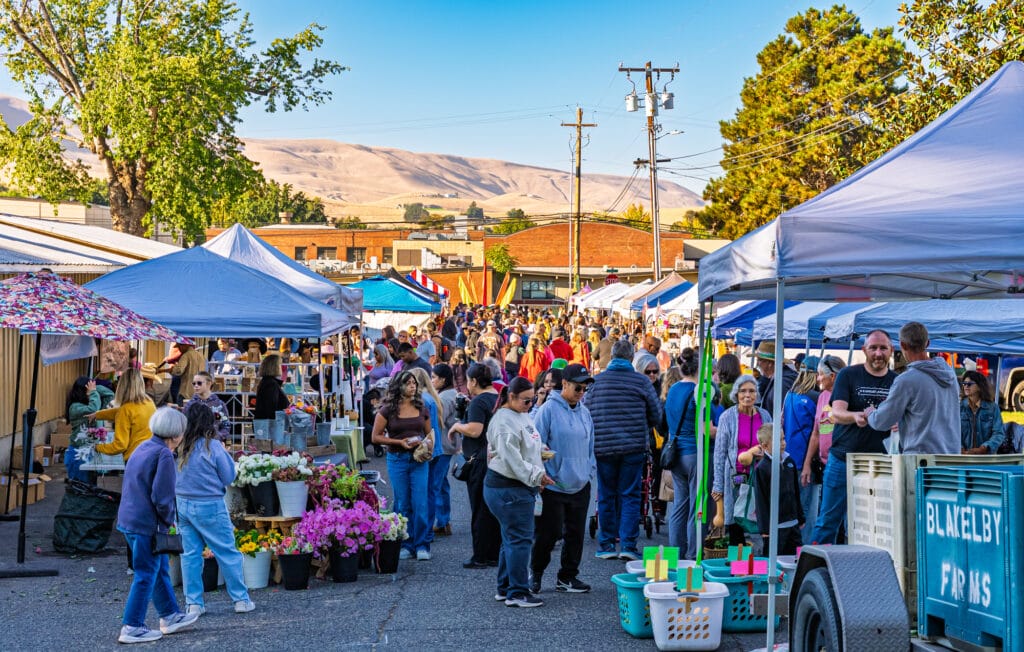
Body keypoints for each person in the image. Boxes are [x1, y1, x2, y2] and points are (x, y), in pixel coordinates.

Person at [115, 407, 198, 643]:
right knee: (146, 574)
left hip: (130, 520)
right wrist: (169, 521)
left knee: (158, 567)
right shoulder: (164, 455)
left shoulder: (143, 447)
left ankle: (170, 615)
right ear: (176, 434)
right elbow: (162, 497)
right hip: (146, 524)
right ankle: (132, 626)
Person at [812, 330, 896, 545]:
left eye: (883, 348)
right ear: (864, 350)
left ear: (891, 350)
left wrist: (899, 423)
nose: (878, 353)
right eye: (873, 348)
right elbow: (837, 413)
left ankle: (867, 571)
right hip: (844, 459)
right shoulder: (848, 375)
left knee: (876, 523)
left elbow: (904, 416)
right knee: (828, 521)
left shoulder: (897, 381)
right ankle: (812, 571)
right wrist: (855, 416)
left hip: (880, 463)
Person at [585, 338, 661, 560]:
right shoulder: (641, 382)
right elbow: (656, 414)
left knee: (607, 494)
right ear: (631, 358)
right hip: (633, 446)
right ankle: (628, 545)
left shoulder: (596, 382)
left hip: (604, 446)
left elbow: (587, 413)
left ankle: (607, 545)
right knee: (630, 495)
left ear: (612, 357)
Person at [175, 403, 255, 617]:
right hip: (210, 504)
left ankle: (193, 603)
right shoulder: (213, 446)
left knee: (190, 556)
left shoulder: (179, 446)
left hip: (182, 504)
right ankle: (240, 599)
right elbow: (229, 476)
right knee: (227, 552)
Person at [484, 376, 553, 608]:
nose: (530, 405)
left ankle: (506, 588)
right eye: (526, 401)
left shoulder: (519, 415)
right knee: (520, 540)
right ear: (510, 397)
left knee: (511, 539)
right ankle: (518, 592)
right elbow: (512, 458)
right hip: (509, 487)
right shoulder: (504, 422)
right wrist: (537, 475)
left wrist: (540, 451)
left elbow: (525, 446)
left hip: (514, 485)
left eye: (532, 400)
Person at [531, 364, 595, 595]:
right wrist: (541, 472)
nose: (581, 391)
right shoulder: (547, 410)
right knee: (548, 535)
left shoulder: (585, 412)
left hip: (580, 483)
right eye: (578, 387)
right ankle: (535, 574)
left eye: (585, 388)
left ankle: (567, 576)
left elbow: (590, 446)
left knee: (576, 534)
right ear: (565, 384)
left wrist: (589, 472)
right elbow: (535, 443)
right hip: (553, 483)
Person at [865, 322, 960, 454]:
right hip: (950, 460)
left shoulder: (906, 380)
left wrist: (870, 412)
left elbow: (881, 421)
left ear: (902, 345)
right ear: (927, 344)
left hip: (920, 462)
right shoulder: (950, 375)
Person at [371, 371, 433, 560]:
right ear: (399, 386)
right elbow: (375, 436)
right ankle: (406, 542)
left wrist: (427, 446)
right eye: (408, 383)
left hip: (418, 460)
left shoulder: (422, 407)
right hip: (397, 459)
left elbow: (429, 434)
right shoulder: (387, 409)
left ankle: (422, 544)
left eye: (414, 383)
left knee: (420, 503)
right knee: (403, 502)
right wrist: (399, 442)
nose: (413, 386)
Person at [448, 363, 501, 569]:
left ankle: (480, 555)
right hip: (493, 458)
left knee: (479, 508)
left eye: (468, 381)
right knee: (491, 509)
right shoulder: (496, 397)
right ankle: (494, 554)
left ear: (474, 381)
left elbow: (476, 429)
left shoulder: (479, 402)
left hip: (478, 460)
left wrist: (457, 426)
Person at [712, 374, 772, 546]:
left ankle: (763, 565)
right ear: (736, 394)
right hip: (735, 477)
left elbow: (772, 443)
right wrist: (718, 485)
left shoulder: (765, 415)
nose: (748, 395)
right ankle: (737, 568)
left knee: (761, 521)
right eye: (743, 391)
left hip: (760, 477)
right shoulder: (727, 417)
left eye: (752, 391)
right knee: (735, 523)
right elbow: (720, 453)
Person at [663, 349, 703, 559]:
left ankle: (674, 555)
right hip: (693, 452)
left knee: (679, 505)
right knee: (696, 508)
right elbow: (705, 426)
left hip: (675, 453)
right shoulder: (699, 391)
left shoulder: (673, 389)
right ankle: (692, 555)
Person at [801, 355, 846, 531]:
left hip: (841, 464)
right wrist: (807, 464)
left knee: (834, 516)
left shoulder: (847, 396)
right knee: (826, 513)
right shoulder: (822, 397)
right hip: (824, 465)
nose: (818, 378)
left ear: (833, 376)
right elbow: (816, 433)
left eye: (820, 374)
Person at [750, 423, 803, 556]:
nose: (783, 443)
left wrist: (800, 516)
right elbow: (760, 499)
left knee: (794, 558)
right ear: (765, 446)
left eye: (783, 439)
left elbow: (796, 491)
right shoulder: (762, 468)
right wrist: (764, 528)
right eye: (778, 440)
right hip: (775, 527)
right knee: (774, 560)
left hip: (793, 523)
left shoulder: (789, 461)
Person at [781, 357, 820, 531]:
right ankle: (804, 551)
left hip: (788, 457)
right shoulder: (815, 398)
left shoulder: (790, 394)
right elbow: (817, 431)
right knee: (808, 509)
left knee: (792, 508)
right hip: (806, 459)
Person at [92, 368, 157, 462]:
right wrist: (97, 415)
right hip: (151, 456)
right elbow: (123, 412)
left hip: (135, 460)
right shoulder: (149, 403)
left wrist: (98, 447)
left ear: (122, 386)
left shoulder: (125, 410)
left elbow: (120, 445)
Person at [65, 376, 114, 482]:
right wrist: (93, 392)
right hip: (78, 453)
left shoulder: (93, 402)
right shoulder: (75, 407)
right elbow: (93, 409)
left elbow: (110, 396)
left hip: (92, 452)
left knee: (90, 489)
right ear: (82, 391)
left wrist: (95, 388)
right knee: (80, 488)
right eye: (89, 389)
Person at [431, 364, 460, 535]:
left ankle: (440, 521)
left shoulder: (444, 398)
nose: (432, 380)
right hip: (448, 444)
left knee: (435, 483)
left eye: (434, 377)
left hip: (443, 445)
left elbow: (438, 421)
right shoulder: (451, 394)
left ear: (443, 379)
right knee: (441, 483)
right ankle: (443, 520)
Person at [959, 370, 1005, 454]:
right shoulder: (959, 408)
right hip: (962, 458)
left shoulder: (993, 408)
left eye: (969, 384)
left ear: (980, 387)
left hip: (986, 458)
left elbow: (999, 433)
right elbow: (953, 432)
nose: (966, 386)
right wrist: (960, 448)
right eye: (964, 383)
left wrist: (984, 448)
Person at [753, 341, 797, 417]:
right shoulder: (778, 378)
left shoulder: (783, 382)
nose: (757, 364)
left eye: (759, 360)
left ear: (770, 363)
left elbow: (783, 414)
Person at [183, 372, 231, 440]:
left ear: (209, 383)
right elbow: (183, 424)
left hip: (214, 443)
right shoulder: (190, 405)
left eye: (199, 383)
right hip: (194, 444)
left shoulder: (219, 404)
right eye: (194, 383)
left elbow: (226, 425)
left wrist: (218, 437)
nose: (196, 386)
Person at [253, 354, 290, 419]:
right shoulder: (271, 384)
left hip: (266, 424)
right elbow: (271, 408)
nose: (282, 367)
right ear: (275, 367)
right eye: (280, 365)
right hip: (270, 425)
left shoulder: (267, 381)